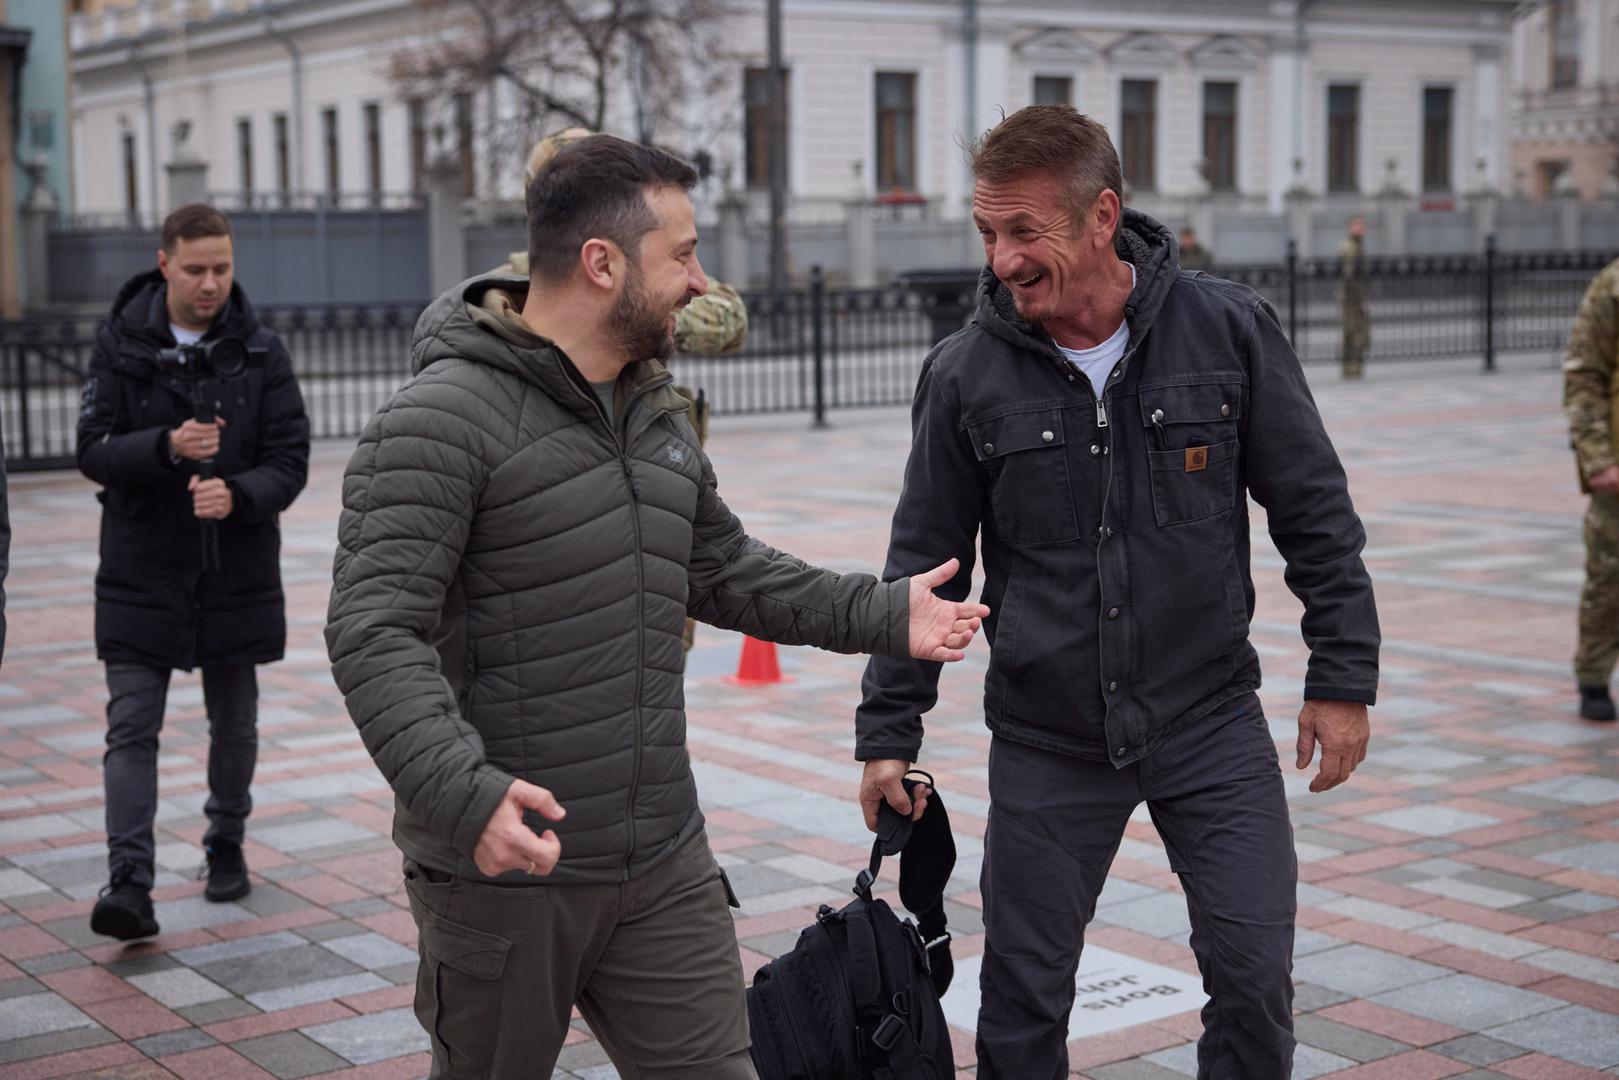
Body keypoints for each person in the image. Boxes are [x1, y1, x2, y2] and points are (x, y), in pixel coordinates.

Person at [325, 134, 988, 1079]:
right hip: (508, 869)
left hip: (663, 859)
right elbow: (373, 630)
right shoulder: (435, 421)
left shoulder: (652, 406)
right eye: (681, 254)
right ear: (603, 264)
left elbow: (722, 567)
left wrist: (882, 613)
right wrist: (464, 796)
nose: (700, 281)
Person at [854, 105, 1380, 1080]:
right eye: (986, 232)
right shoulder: (964, 374)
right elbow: (923, 567)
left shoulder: (1226, 330)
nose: (1002, 260)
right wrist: (889, 731)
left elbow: (1314, 513)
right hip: (1047, 740)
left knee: (1253, 980)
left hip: (1207, 721)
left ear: (1101, 216)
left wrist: (1341, 676)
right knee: (1020, 1006)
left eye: (1024, 231)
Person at [76, 204, 309, 941]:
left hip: (234, 570)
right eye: (196, 269)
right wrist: (167, 447)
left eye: (222, 269)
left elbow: (290, 459)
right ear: (164, 264)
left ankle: (225, 843)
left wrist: (237, 495)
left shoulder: (261, 350)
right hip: (140, 568)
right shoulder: (120, 346)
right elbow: (92, 449)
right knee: (131, 726)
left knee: (234, 723)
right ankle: (128, 883)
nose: (211, 283)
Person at [492, 125, 749, 649]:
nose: (696, 282)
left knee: (659, 644)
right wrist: (631, 307)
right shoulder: (514, 285)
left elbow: (731, 321)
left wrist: (648, 313)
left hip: (652, 486)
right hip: (572, 528)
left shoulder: (656, 263)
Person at [1563, 256, 1619, 722]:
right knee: (1609, 577)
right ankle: (1594, 675)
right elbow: (1584, 372)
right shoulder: (1614, 285)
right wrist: (1598, 458)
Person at [1338, 215, 1370, 379]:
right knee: (1353, 331)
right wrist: (1361, 300)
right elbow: (1350, 276)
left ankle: (1354, 367)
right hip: (1351, 297)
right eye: (1358, 225)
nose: (1361, 229)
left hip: (1354, 296)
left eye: (1362, 226)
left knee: (1356, 331)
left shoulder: (1357, 245)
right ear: (1350, 227)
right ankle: (1351, 367)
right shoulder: (1350, 247)